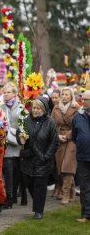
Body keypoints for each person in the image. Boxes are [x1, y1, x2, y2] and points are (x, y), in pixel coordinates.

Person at [17, 97, 59, 219]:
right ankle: (38, 202)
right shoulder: (25, 120)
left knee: (40, 186)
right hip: (28, 159)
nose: (35, 110)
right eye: (34, 108)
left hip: (43, 160)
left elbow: (54, 142)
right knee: (29, 183)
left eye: (38, 108)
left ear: (44, 109)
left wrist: (46, 157)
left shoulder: (50, 122)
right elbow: (19, 134)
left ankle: (38, 211)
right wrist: (21, 139)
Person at [51, 87, 79, 205]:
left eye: (67, 94)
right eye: (63, 94)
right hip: (59, 139)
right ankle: (72, 190)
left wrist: (67, 136)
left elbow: (78, 125)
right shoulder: (56, 107)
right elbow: (51, 123)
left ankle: (65, 193)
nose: (64, 96)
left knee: (67, 167)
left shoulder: (76, 108)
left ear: (71, 96)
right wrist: (57, 135)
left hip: (72, 139)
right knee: (61, 168)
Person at [1, 82, 27, 208]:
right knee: (8, 171)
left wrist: (22, 137)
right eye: (4, 92)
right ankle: (9, 198)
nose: (6, 94)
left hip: (17, 142)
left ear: (14, 94)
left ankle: (23, 195)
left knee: (19, 171)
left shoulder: (21, 107)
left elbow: (24, 124)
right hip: (5, 142)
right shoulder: (0, 107)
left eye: (8, 92)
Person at [72, 90, 90, 223]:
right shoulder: (78, 116)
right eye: (82, 99)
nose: (83, 102)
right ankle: (86, 214)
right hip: (83, 156)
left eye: (86, 99)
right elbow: (74, 135)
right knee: (84, 187)